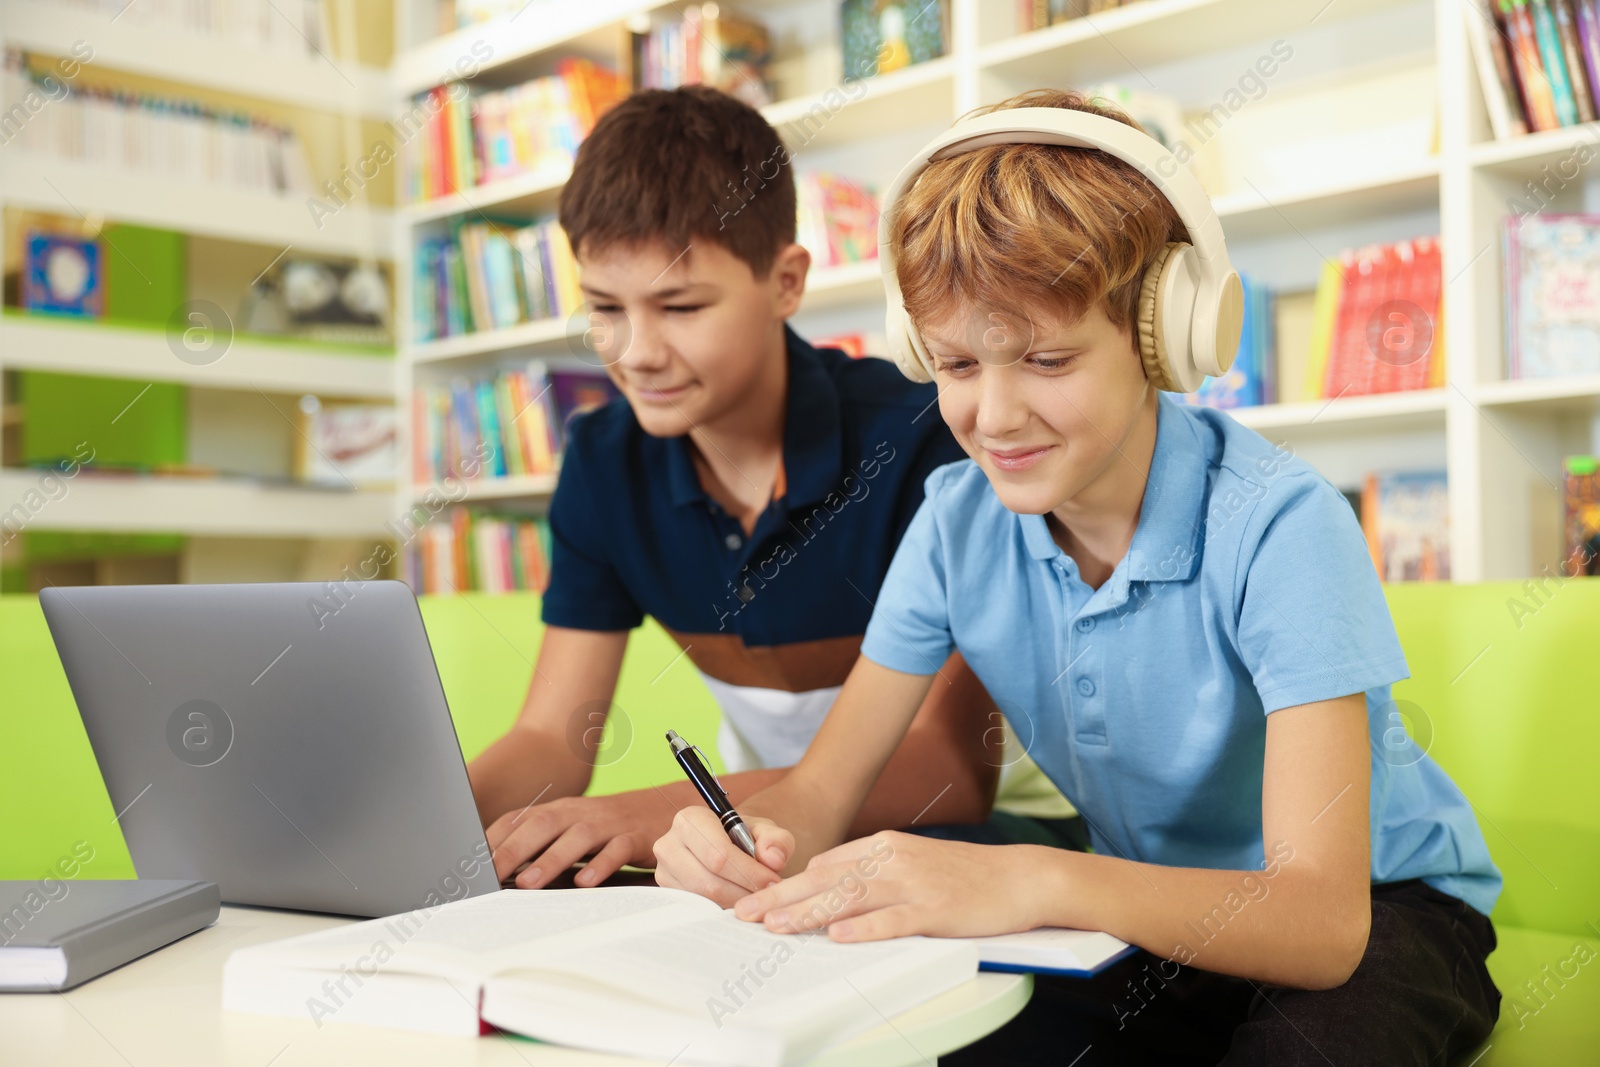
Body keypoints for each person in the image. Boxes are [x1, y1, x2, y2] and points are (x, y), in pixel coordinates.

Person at [652, 89, 1502, 1066]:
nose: (995, 414)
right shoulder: (952, 522)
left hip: (1380, 912)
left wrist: (1039, 879)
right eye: (956, 362)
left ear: (1164, 334)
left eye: (1048, 357)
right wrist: (742, 840)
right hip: (1146, 905)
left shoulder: (1280, 522)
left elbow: (1320, 921)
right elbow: (822, 791)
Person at [468, 85, 1082, 891]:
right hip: (759, 840)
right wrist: (432, 823)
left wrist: (648, 815)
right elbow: (552, 737)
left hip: (991, 838)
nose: (637, 352)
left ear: (787, 282)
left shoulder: (926, 441)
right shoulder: (603, 459)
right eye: (605, 308)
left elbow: (948, 772)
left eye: (680, 305)